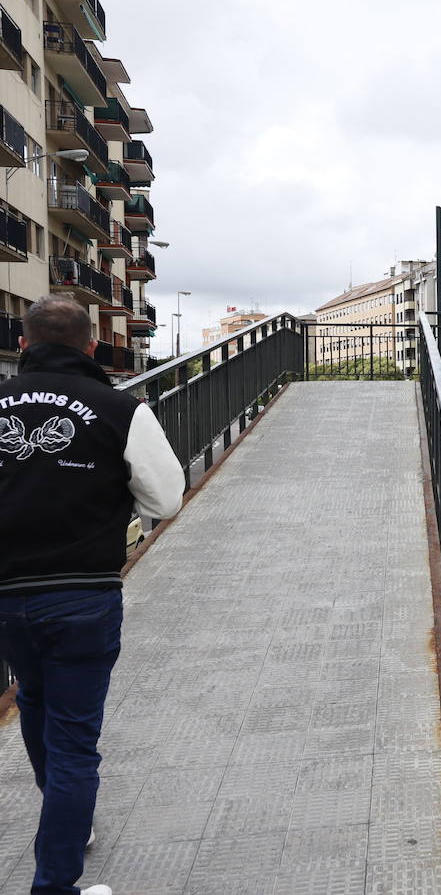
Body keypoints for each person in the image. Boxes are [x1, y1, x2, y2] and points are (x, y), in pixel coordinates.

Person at [0, 295, 183, 895]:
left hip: (7, 597)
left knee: (33, 699)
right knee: (75, 738)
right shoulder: (119, 408)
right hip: (82, 594)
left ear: (23, 345)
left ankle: (65, 821)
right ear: (91, 347)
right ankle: (55, 883)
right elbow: (165, 501)